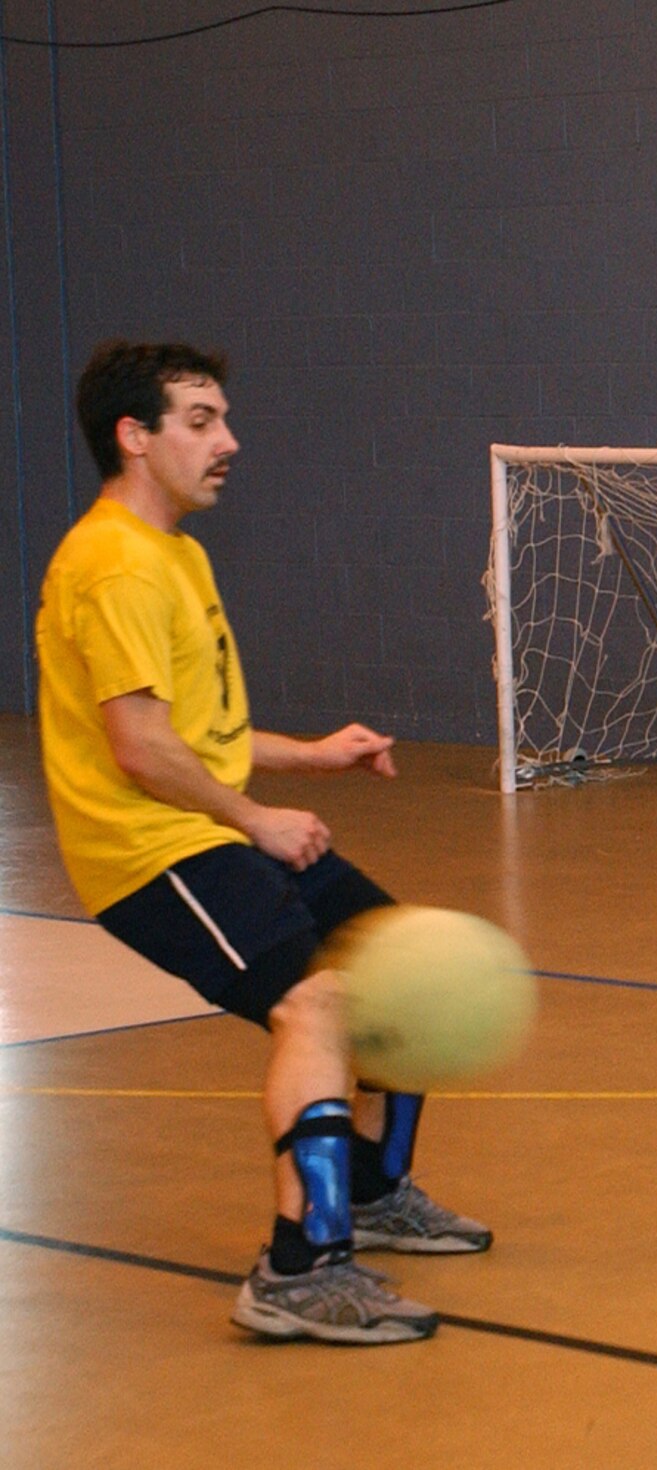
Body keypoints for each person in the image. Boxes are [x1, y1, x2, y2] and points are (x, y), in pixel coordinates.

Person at [37, 341, 493, 1344]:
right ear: (135, 437)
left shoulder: (178, 554)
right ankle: (297, 1270)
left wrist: (310, 758)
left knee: (392, 960)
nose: (228, 441)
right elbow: (142, 751)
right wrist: (255, 819)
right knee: (316, 1003)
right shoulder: (112, 564)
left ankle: (370, 1190)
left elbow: (200, 735)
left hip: (200, 821)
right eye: (200, 420)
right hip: (151, 850)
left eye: (224, 418)